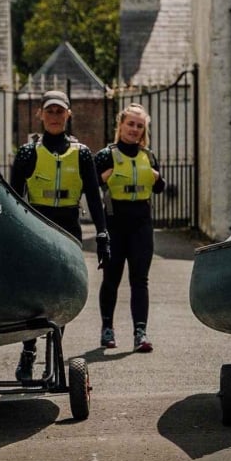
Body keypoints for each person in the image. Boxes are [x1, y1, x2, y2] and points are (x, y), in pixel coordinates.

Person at [8, 89, 110, 381]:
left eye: (60, 111)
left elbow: (94, 197)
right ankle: (28, 351)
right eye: (49, 111)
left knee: (63, 292)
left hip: (68, 228)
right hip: (36, 227)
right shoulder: (28, 153)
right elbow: (12, 198)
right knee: (34, 293)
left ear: (68, 114)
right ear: (40, 114)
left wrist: (102, 234)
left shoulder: (82, 154)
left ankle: (54, 354)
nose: (54, 116)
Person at [93, 104, 167, 353]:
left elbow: (159, 188)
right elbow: (88, 186)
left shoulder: (148, 156)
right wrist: (101, 178)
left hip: (141, 226)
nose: (134, 129)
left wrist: (158, 178)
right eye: (130, 124)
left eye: (139, 126)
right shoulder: (106, 155)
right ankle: (107, 329)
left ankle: (140, 333)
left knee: (140, 280)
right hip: (115, 224)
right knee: (111, 279)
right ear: (121, 125)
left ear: (144, 130)